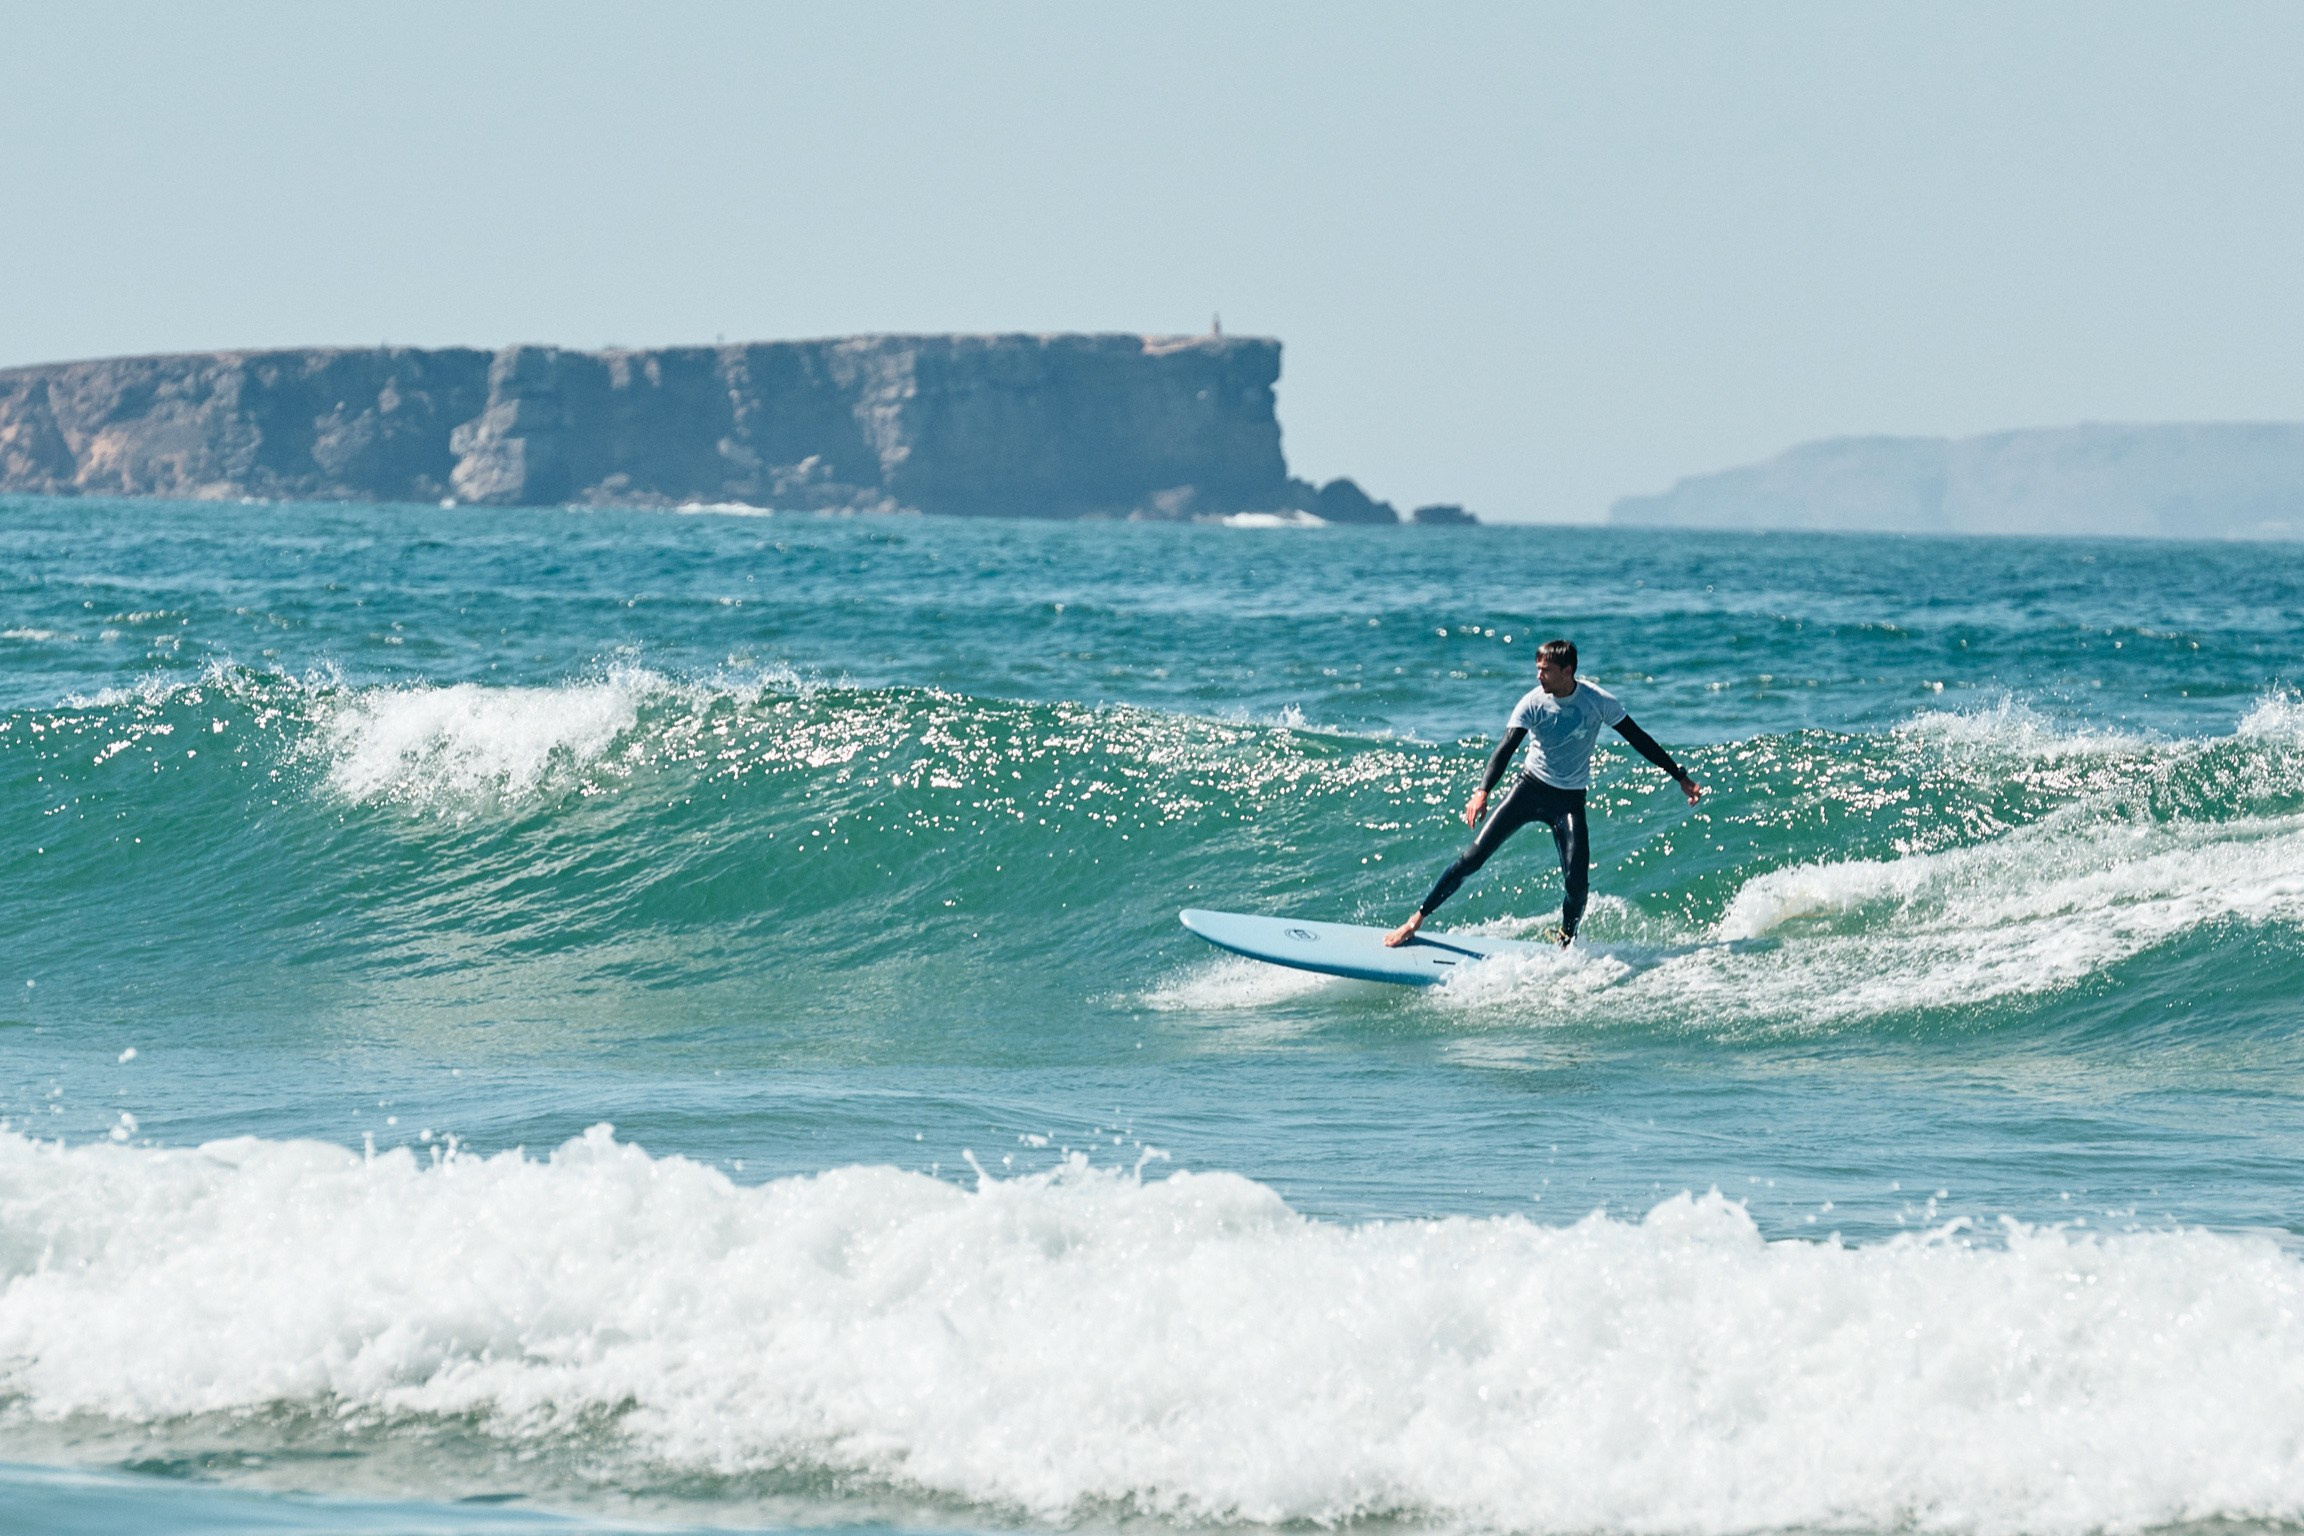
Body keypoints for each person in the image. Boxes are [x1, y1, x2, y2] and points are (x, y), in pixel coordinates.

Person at [1385, 639, 1700, 949]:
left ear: (1567, 670)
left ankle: (1565, 940)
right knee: (1473, 858)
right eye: (1537, 669)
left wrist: (1680, 776)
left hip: (1569, 800)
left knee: (1577, 884)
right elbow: (1505, 748)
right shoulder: (1532, 702)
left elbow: (1638, 739)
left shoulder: (1597, 701)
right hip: (1529, 790)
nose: (1538, 676)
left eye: (1545, 670)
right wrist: (1482, 791)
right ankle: (1415, 920)